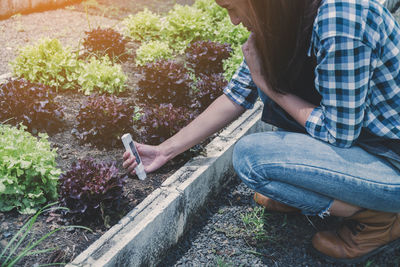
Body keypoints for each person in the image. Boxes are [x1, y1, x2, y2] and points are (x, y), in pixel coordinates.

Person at [123, 0, 400, 264]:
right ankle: (329, 191)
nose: (234, 21)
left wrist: (270, 88)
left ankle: (381, 217)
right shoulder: (284, 18)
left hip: (391, 161)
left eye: (233, 8)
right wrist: (165, 150)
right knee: (268, 112)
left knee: (252, 159)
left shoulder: (339, 19)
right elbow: (238, 93)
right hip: (366, 146)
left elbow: (338, 132)